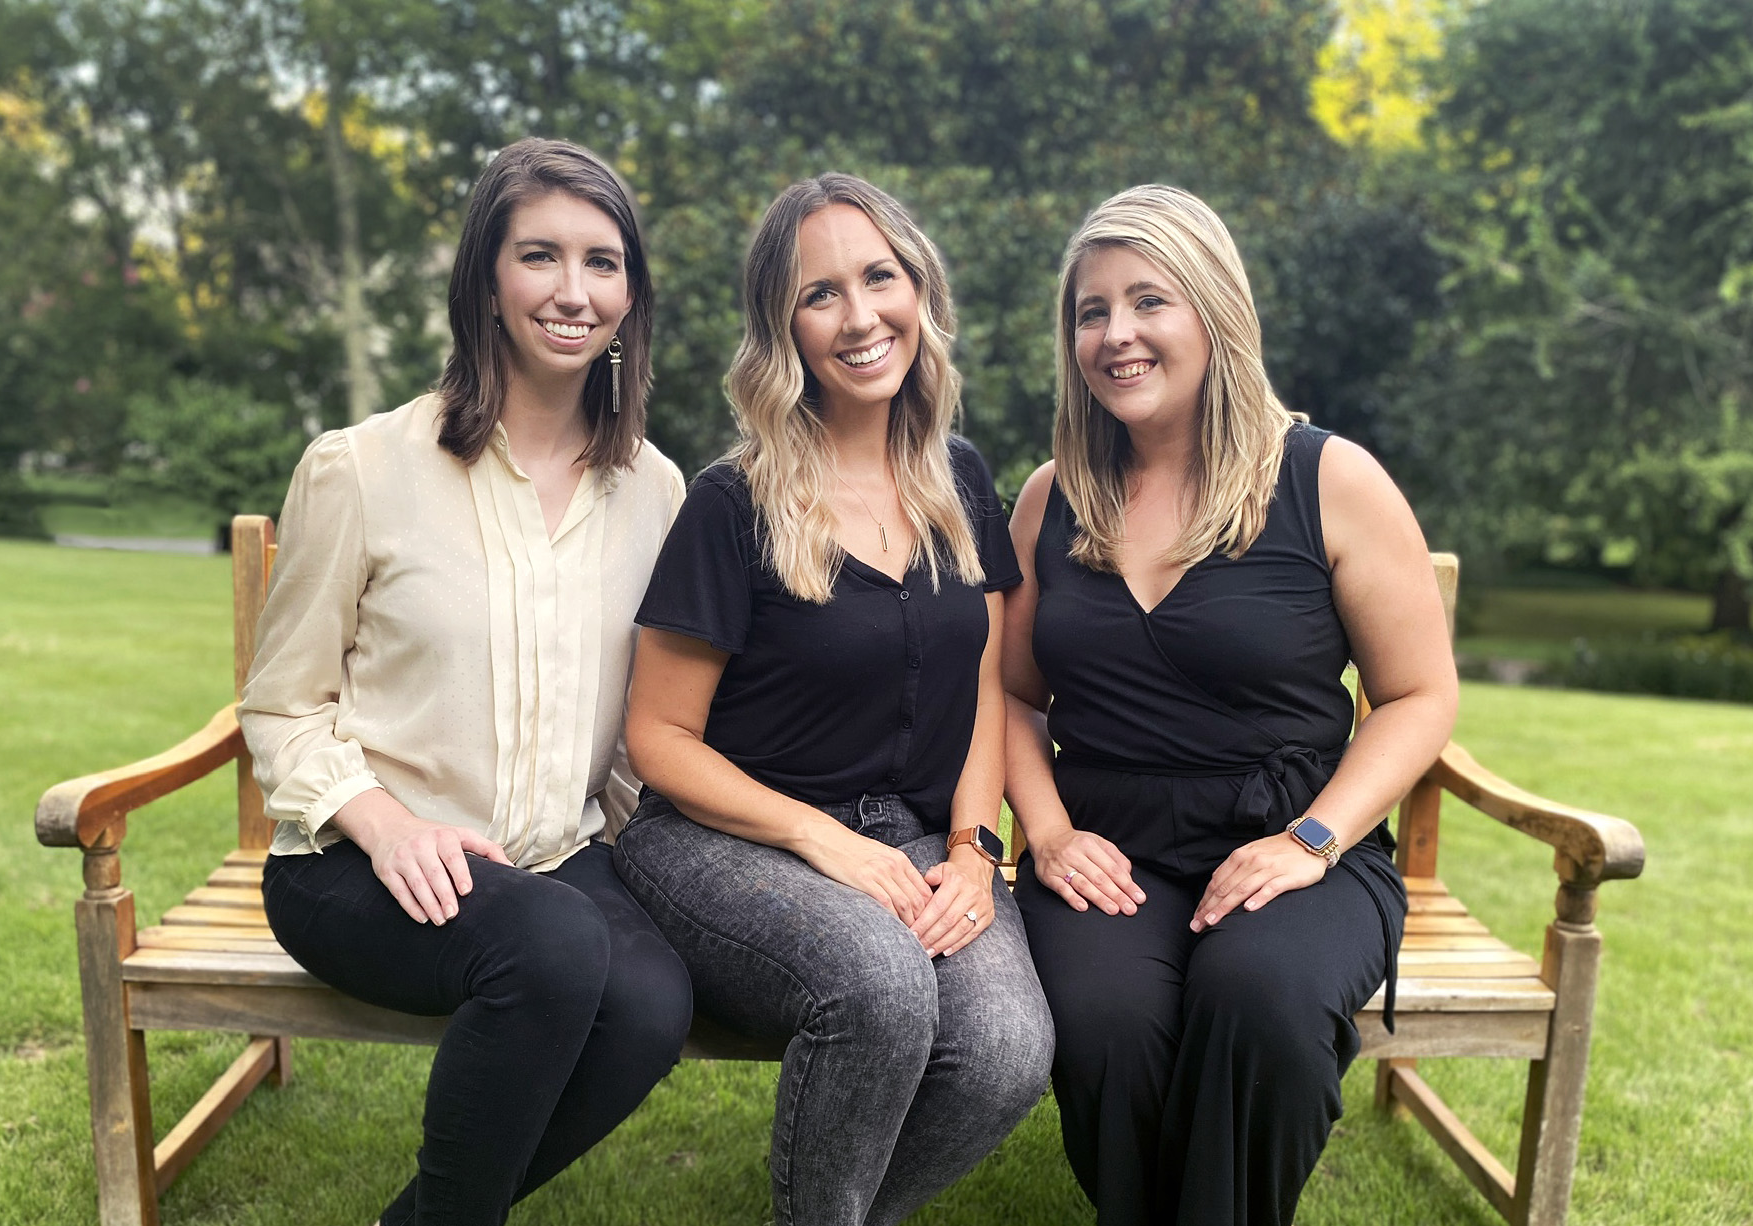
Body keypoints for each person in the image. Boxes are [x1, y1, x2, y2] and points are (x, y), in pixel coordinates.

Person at [238, 138, 692, 1226]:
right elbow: (281, 703)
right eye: (539, 255)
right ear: (486, 280)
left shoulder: (655, 490)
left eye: (602, 261)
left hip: (553, 859)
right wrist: (387, 825)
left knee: (650, 1000)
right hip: (353, 864)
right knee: (550, 946)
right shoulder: (362, 466)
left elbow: (648, 725)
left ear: (631, 295)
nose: (572, 291)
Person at [1001, 184, 1459, 1226]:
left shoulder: (1327, 480)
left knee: (1257, 1001)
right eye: (1089, 310)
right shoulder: (1049, 495)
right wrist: (1051, 828)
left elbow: (1418, 694)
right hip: (1106, 845)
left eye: (1147, 300)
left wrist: (1309, 838)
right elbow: (1013, 697)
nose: (1115, 333)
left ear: (1212, 309)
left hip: (1295, 836)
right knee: (1107, 1021)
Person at [613, 173, 1054, 1226]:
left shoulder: (958, 477)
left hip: (912, 839)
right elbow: (656, 738)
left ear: (918, 290)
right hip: (723, 840)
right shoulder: (734, 501)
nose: (859, 317)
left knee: (1006, 1050)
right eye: (820, 294)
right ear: (782, 329)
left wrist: (969, 847)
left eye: (878, 277)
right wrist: (823, 841)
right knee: (878, 985)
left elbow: (989, 680)